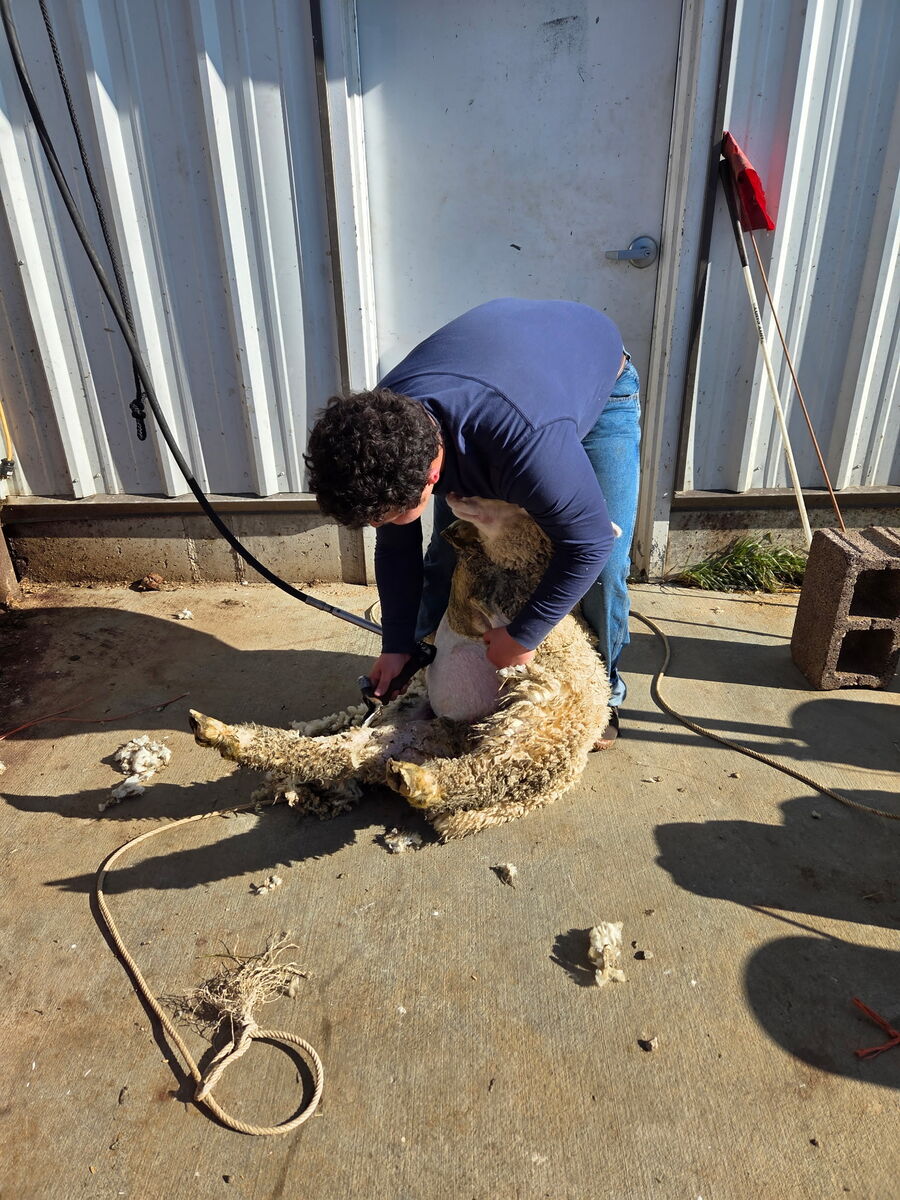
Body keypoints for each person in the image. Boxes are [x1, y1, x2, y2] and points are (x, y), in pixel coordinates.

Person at [304, 298, 641, 747]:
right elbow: (397, 549)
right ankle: (422, 664)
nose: (383, 526)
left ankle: (606, 692)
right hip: (506, 370)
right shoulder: (382, 426)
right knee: (449, 550)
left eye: (389, 515)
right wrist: (396, 643)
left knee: (606, 569)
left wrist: (523, 636)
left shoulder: (525, 446)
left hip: (594, 380)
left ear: (431, 475)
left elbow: (590, 543)